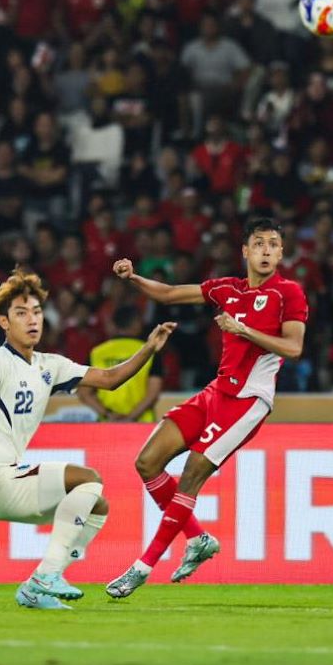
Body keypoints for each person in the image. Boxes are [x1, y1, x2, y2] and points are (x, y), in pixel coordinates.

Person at [105, 216, 308, 598]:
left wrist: (243, 330)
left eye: (273, 245)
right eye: (259, 243)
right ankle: (197, 539)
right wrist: (132, 278)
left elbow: (294, 348)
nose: (266, 250)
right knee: (147, 462)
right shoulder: (227, 288)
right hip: (215, 393)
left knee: (192, 473)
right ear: (245, 251)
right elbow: (167, 294)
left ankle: (142, 567)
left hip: (248, 401)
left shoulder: (288, 293)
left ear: (281, 253)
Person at [0, 267, 177, 610]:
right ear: (3, 322)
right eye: (21, 313)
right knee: (88, 479)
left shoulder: (48, 365)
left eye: (37, 312)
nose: (32, 320)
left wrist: (149, 348)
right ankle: (45, 577)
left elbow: (109, 378)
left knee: (96, 505)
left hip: (10, 478)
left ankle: (38, 587)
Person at [77, 305, 167, 422]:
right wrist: (130, 418)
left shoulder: (97, 353)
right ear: (136, 323)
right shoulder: (149, 351)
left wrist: (109, 414)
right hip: (142, 425)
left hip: (108, 425)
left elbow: (84, 393)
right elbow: (153, 393)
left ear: (114, 324)